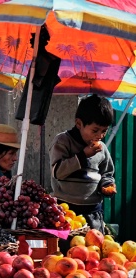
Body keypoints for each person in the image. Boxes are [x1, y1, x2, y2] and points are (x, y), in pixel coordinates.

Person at [49, 94, 117, 233]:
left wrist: (107, 185)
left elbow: (107, 173)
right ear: (79, 124)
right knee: (66, 252)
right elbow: (58, 172)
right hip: (66, 211)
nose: (99, 136)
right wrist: (83, 156)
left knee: (94, 251)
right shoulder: (63, 141)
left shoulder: (102, 149)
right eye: (95, 130)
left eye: (104, 131)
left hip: (93, 211)